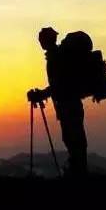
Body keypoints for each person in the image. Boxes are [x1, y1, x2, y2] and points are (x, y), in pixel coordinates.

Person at [28, 27, 89, 177]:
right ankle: (79, 171)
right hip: (70, 104)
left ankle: (78, 174)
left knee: (73, 139)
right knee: (74, 139)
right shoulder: (58, 56)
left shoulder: (56, 58)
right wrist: (42, 94)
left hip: (68, 105)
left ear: (46, 41)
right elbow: (58, 85)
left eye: (42, 39)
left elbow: (58, 85)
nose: (40, 42)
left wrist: (41, 94)